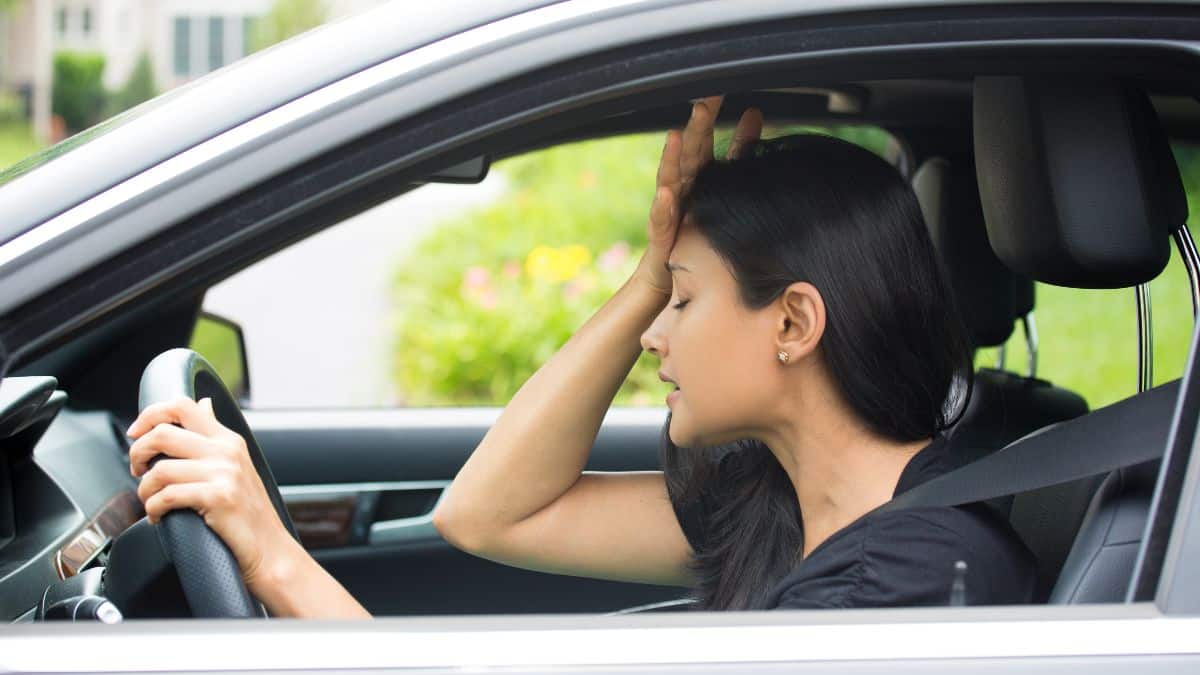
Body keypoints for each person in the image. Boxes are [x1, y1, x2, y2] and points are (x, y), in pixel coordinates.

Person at [126, 96, 1036, 617]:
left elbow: (485, 519)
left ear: (794, 324)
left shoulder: (896, 588)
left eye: (682, 301)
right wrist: (652, 271)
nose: (653, 333)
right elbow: (487, 515)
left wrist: (275, 558)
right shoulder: (788, 510)